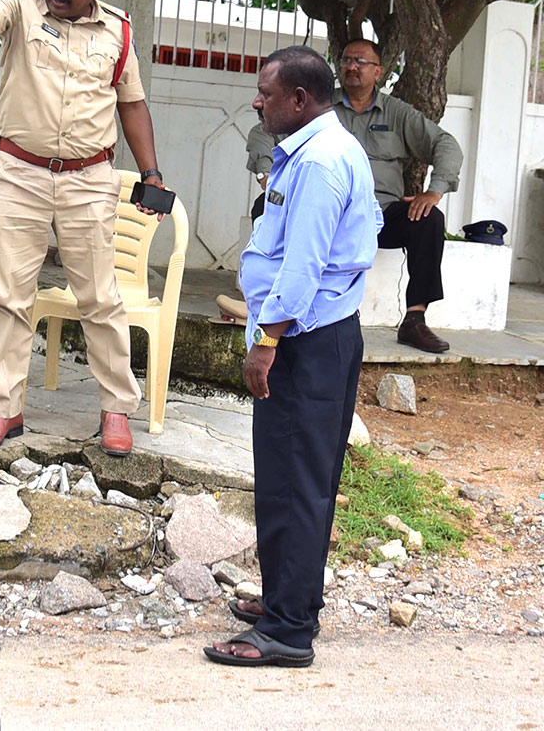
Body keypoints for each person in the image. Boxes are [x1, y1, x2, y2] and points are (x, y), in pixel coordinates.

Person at [0, 0, 164, 458]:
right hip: (18, 174)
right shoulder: (22, 4)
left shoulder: (117, 31)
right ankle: (5, 408)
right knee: (9, 296)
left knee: (100, 298)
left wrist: (151, 173)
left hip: (89, 181)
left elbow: (131, 105)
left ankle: (115, 411)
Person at [205, 46, 381, 668]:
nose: (257, 101)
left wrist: (266, 343)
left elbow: (303, 268)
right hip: (312, 338)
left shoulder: (322, 163)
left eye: (267, 92)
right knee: (291, 481)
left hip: (304, 342)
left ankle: (286, 633)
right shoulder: (316, 152)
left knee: (296, 485)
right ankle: (288, 601)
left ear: (300, 100)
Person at [244, 38, 463, 352]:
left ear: (378, 72)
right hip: (321, 209)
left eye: (361, 62)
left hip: (379, 213)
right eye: (346, 60)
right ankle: (267, 301)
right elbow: (261, 134)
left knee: (429, 220)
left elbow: (446, 144)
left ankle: (415, 319)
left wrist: (435, 190)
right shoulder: (318, 106)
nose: (351, 67)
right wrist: (266, 174)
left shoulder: (398, 113)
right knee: (265, 206)